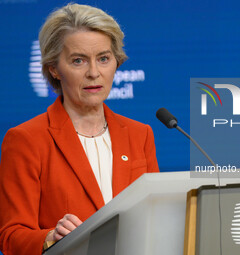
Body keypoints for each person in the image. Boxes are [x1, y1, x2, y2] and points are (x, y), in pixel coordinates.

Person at [0, 3, 159, 255]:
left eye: (104, 59)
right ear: (54, 68)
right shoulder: (26, 140)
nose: (94, 73)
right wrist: (50, 237)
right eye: (78, 61)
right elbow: (12, 237)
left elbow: (156, 218)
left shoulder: (140, 134)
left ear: (116, 62)